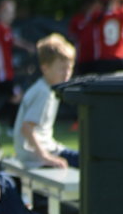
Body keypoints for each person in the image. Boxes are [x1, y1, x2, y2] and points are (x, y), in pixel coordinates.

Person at [13, 34, 78, 169]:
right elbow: (27, 128)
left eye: (70, 68)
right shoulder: (44, 93)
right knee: (91, 163)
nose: (67, 73)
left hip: (41, 150)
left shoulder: (45, 88)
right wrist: (46, 157)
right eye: (62, 68)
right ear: (45, 68)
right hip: (39, 155)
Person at [0, 0, 35, 131]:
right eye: (8, 12)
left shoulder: (6, 29)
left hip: (8, 71)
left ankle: (7, 125)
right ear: (0, 13)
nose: (11, 15)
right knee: (16, 95)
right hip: (2, 73)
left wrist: (28, 46)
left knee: (16, 96)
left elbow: (14, 41)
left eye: (12, 12)